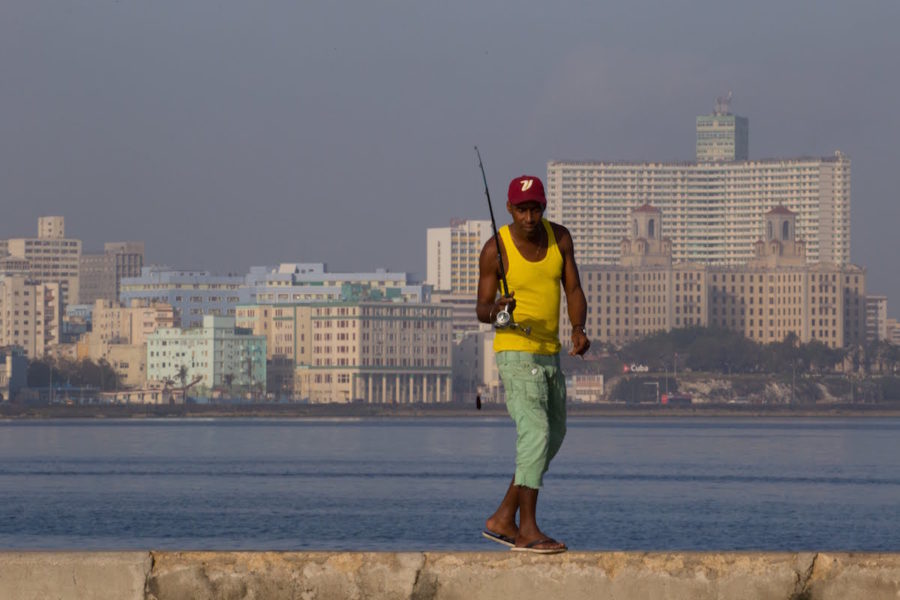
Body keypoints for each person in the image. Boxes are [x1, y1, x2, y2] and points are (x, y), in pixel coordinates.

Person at [476, 174, 590, 554]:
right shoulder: (495, 250)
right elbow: (482, 309)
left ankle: (502, 518)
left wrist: (578, 328)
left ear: (544, 207)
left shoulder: (560, 238)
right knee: (535, 433)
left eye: (535, 209)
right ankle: (527, 531)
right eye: (522, 210)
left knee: (551, 437)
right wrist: (498, 310)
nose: (529, 217)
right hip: (515, 351)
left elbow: (573, 288)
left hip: (549, 352)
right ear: (509, 208)